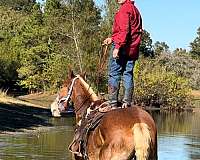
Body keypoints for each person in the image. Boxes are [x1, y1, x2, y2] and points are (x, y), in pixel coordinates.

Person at [103, 0, 142, 108]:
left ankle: (112, 104)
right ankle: (126, 102)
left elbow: (124, 30)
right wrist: (112, 38)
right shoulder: (135, 10)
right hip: (132, 49)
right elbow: (131, 32)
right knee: (128, 74)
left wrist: (117, 47)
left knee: (114, 74)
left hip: (122, 48)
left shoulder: (124, 10)